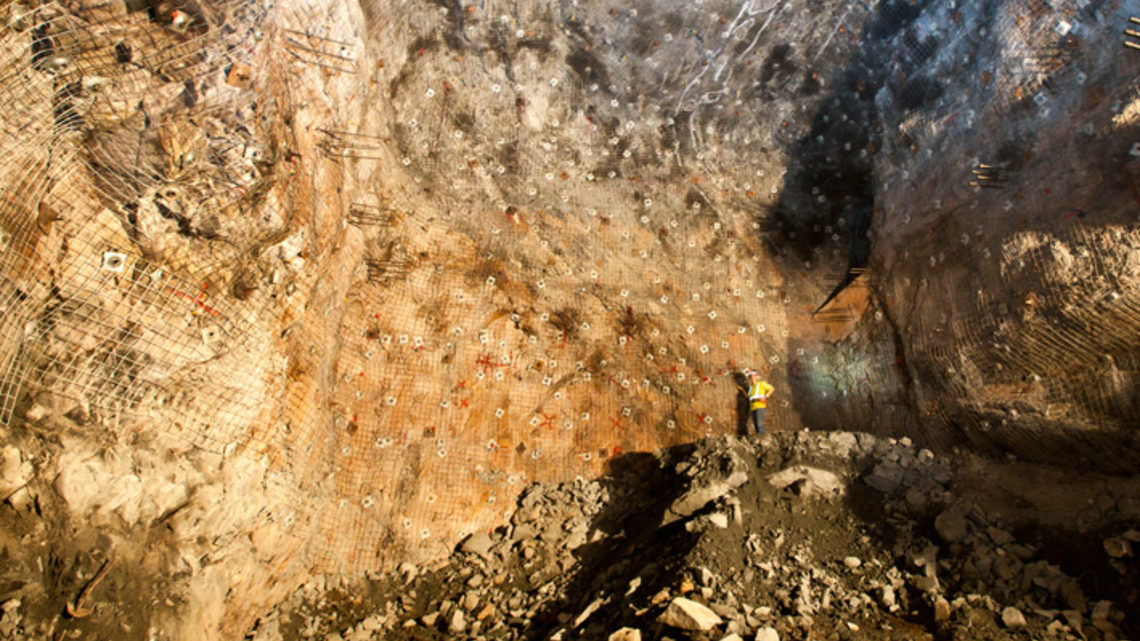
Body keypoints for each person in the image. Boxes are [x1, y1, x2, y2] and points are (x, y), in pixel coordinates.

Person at [738, 368, 774, 435]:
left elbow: (771, 388)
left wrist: (766, 396)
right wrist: (742, 390)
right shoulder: (751, 388)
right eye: (750, 376)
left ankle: (762, 440)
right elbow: (748, 397)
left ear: (756, 376)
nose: (752, 378)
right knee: (756, 426)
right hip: (753, 408)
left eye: (753, 376)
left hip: (760, 406)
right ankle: (760, 440)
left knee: (759, 425)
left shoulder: (761, 384)